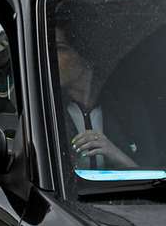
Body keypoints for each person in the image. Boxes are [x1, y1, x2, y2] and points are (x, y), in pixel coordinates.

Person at [56, 25, 152, 170]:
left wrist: (115, 154)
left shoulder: (128, 108)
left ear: (85, 54)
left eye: (60, 48)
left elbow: (155, 177)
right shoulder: (45, 107)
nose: (50, 57)